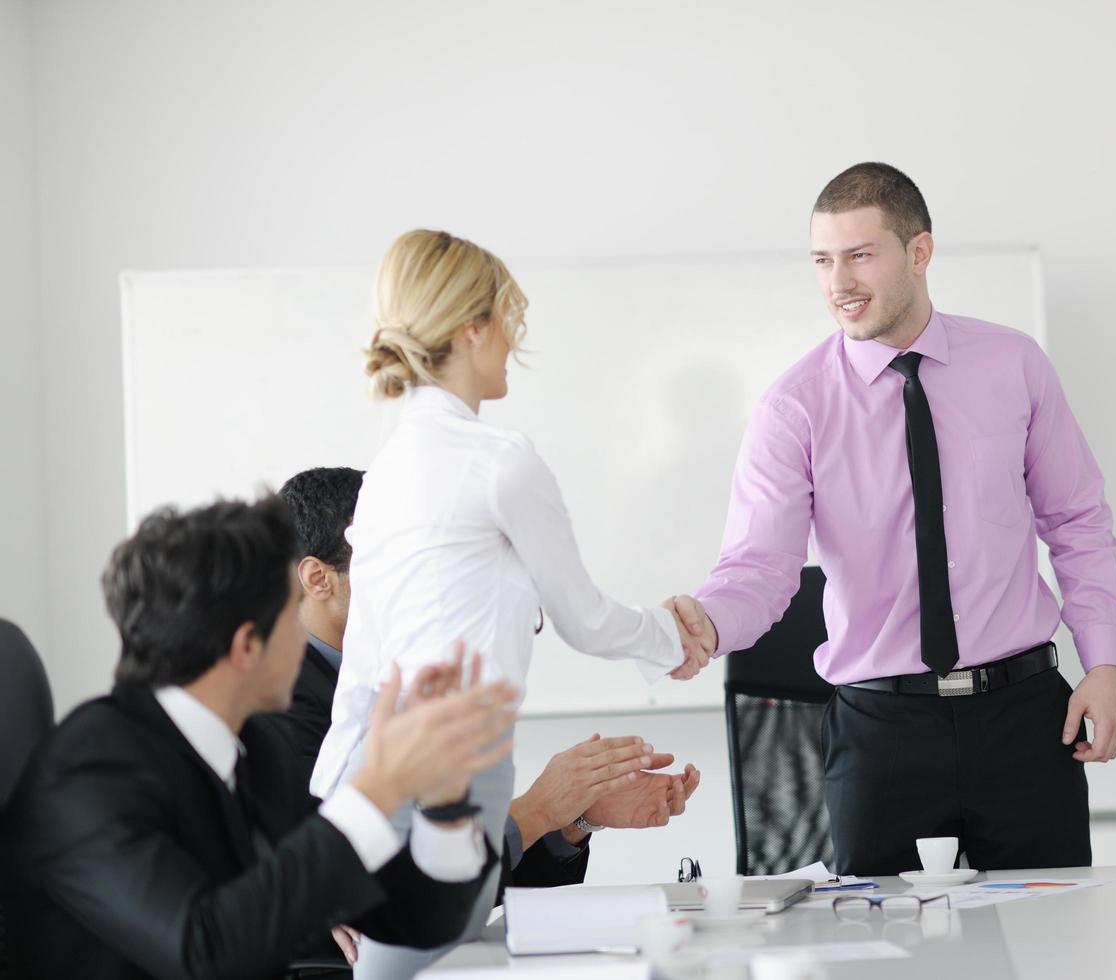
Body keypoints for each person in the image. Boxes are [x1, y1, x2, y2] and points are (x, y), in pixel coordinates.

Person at [666, 162, 1116, 875]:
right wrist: (710, 623)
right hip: (881, 732)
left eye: (859, 255)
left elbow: (1077, 522)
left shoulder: (1013, 364)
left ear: (919, 252)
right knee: (879, 951)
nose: (838, 283)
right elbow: (759, 567)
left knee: (1054, 940)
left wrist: (1104, 664)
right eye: (822, 260)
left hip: (1023, 717)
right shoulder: (794, 407)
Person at [309, 230, 707, 978]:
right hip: (448, 778)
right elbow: (584, 619)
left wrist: (331, 838)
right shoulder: (498, 461)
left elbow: (359, 680)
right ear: (472, 327)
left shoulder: (389, 469)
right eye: (507, 319)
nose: (513, 340)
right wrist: (674, 640)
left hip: (372, 783)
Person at [0, 496, 515, 979]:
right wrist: (373, 793)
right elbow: (205, 951)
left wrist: (447, 805)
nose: (307, 633)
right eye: (293, 614)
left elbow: (421, 921)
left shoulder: (254, 752)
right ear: (247, 646)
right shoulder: (89, 771)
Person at [270, 466, 700, 898]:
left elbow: (470, 883)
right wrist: (539, 808)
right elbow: (384, 888)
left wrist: (572, 819)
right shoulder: (275, 706)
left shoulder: (407, 677)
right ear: (317, 579)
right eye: (388, 564)